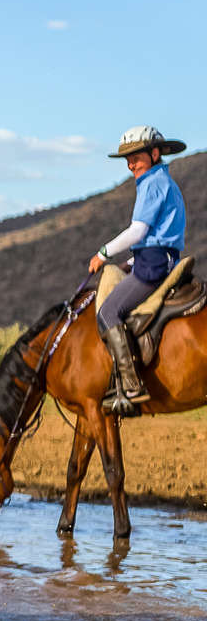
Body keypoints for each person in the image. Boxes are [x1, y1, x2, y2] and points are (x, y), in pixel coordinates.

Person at [85, 125, 189, 416]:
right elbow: (156, 235)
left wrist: (102, 254)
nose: (131, 165)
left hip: (154, 262)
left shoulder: (152, 183)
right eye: (127, 160)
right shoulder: (162, 180)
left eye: (136, 157)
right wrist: (130, 262)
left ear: (154, 154)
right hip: (157, 257)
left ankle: (131, 385)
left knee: (108, 312)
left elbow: (138, 231)